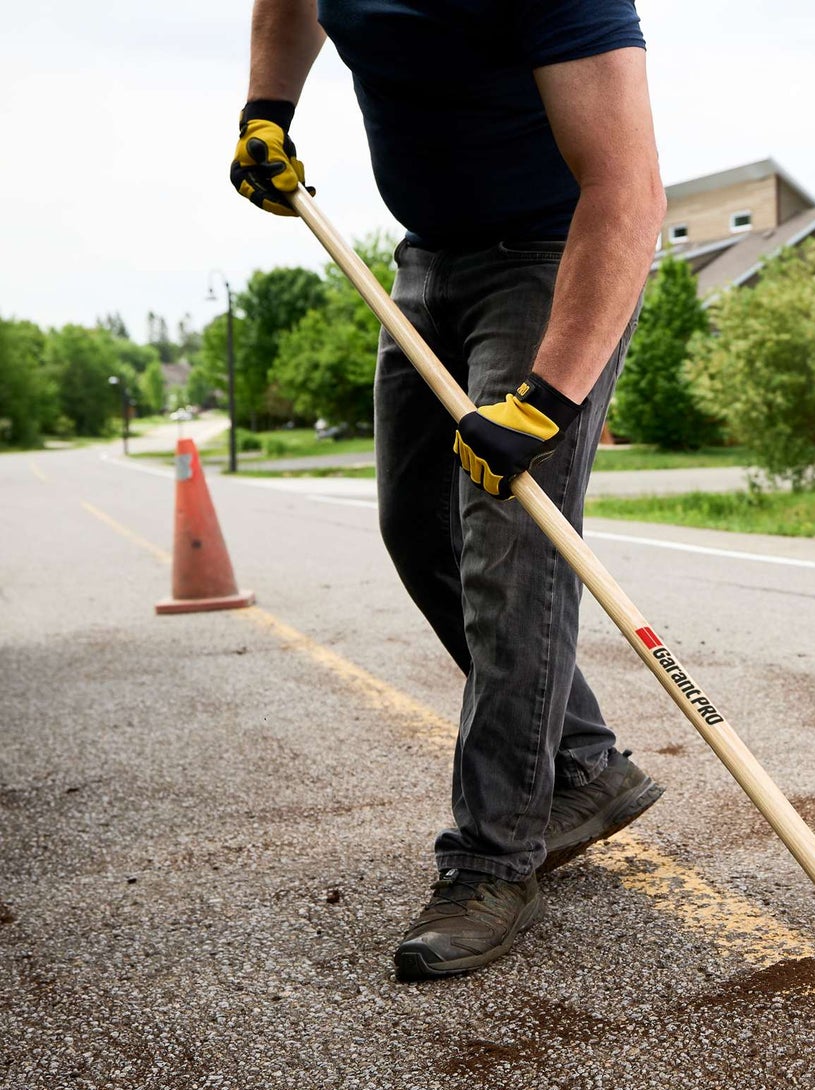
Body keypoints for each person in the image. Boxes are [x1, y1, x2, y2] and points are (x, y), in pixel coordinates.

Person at [232, 0, 667, 980]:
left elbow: (629, 191)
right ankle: (585, 768)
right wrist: (267, 109)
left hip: (554, 261)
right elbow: (287, 6)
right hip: (423, 259)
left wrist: (545, 397)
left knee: (508, 552)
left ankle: (490, 856)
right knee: (416, 528)